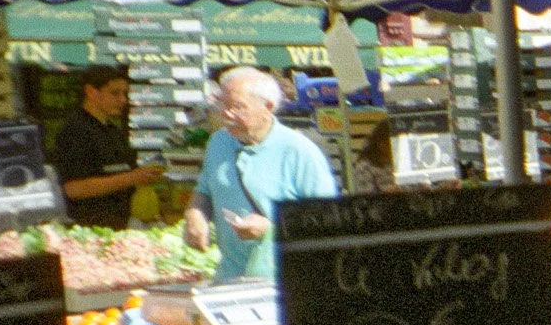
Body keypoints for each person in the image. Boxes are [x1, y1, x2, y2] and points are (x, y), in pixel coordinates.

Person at [186, 67, 339, 281]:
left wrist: (270, 228)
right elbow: (204, 191)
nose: (225, 114)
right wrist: (196, 215)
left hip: (283, 283)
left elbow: (329, 223)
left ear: (268, 107)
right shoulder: (218, 142)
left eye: (237, 107)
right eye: (223, 104)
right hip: (229, 278)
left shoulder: (300, 152)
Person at [52, 66, 162, 229]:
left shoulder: (113, 131)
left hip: (122, 226)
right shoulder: (75, 131)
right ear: (91, 92)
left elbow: (127, 174)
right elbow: (73, 188)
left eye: (125, 94)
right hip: (89, 230)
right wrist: (132, 178)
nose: (123, 100)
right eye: (114, 93)